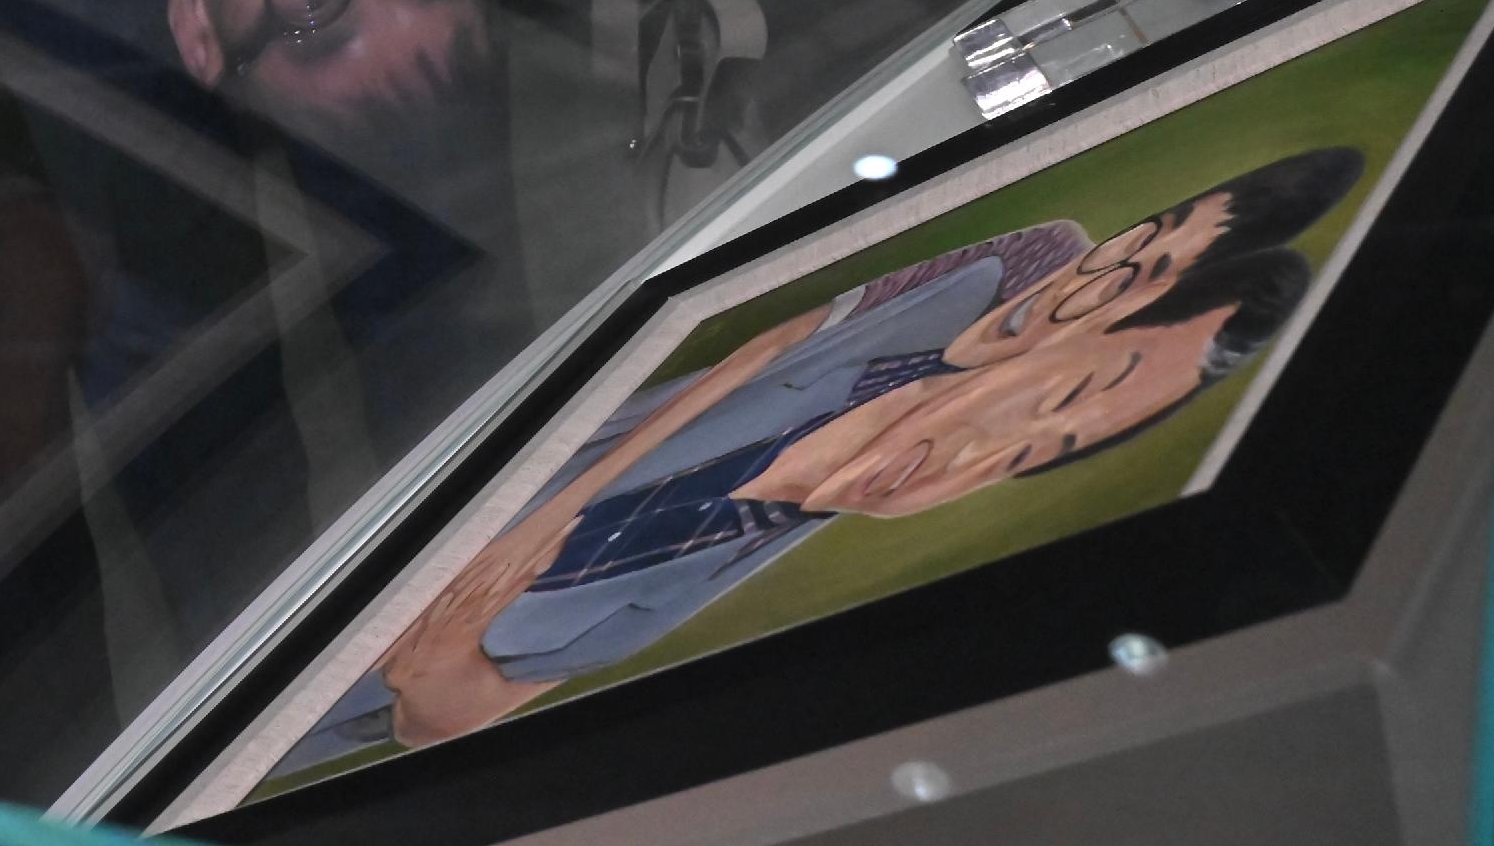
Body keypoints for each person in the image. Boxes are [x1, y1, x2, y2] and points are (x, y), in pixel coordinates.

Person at [291, 146, 1355, 765]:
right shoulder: (977, 291)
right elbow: (762, 342)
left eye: (1058, 446)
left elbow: (437, 726)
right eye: (1141, 253)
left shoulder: (693, 589)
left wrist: (439, 669)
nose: (1103, 284)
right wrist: (534, 513)